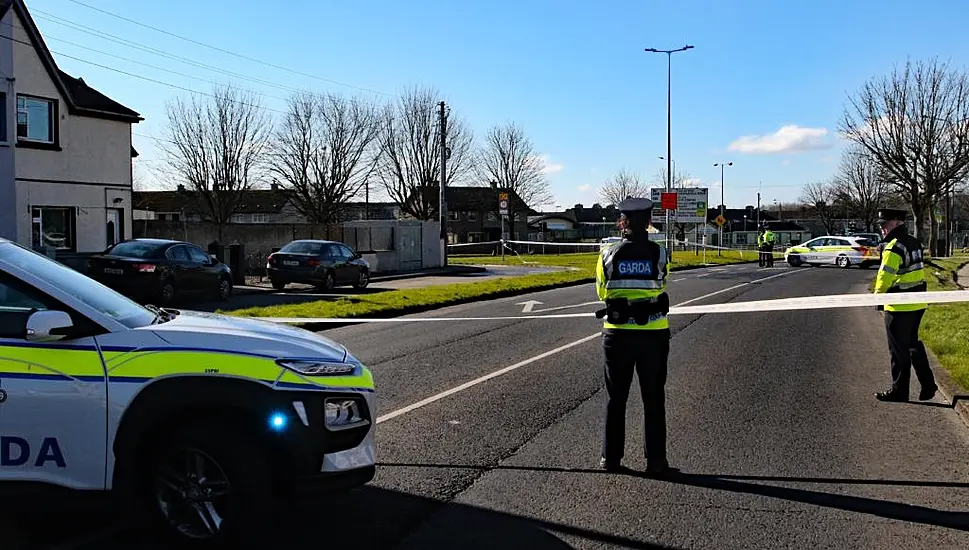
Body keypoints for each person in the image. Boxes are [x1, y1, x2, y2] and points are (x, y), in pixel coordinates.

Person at [594, 197, 674, 475]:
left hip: (617, 335)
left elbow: (602, 292)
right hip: (653, 333)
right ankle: (656, 462)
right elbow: (662, 283)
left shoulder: (607, 253)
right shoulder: (660, 253)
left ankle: (610, 460)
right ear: (649, 221)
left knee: (616, 398)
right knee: (653, 399)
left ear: (622, 222)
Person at [872, 208, 937, 402]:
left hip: (898, 306)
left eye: (885, 224)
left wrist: (876, 299)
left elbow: (884, 278)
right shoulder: (914, 242)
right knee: (912, 345)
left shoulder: (894, 247)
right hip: (917, 303)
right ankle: (928, 384)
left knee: (898, 351)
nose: (882, 229)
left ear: (897, 223)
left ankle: (900, 391)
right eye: (881, 225)